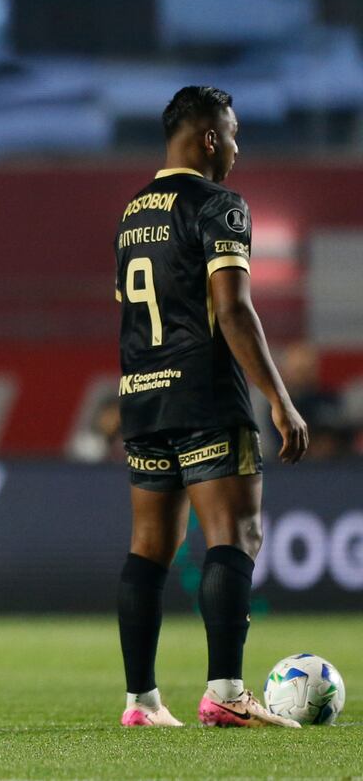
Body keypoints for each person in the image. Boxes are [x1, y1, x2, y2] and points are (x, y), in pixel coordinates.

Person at [114, 85, 308, 729]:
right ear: (207, 139)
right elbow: (232, 308)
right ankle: (225, 691)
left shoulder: (132, 213)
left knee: (150, 546)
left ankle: (141, 702)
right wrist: (279, 399)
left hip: (142, 394)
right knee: (236, 535)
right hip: (204, 392)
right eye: (232, 133)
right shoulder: (219, 204)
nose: (236, 146)